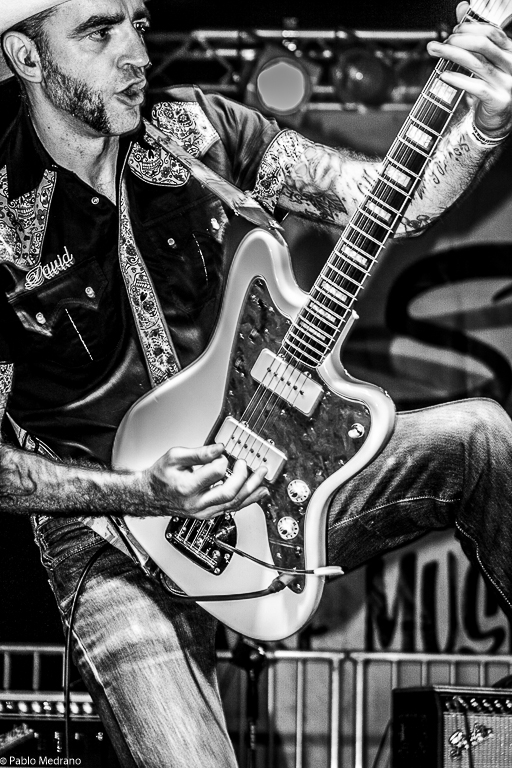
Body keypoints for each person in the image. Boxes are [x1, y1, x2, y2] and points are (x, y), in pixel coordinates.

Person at [0, 0, 511, 765]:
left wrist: (482, 129)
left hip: (267, 474)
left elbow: (379, 199)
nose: (137, 52)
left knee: (482, 437)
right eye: (99, 31)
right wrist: (143, 492)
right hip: (109, 535)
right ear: (29, 57)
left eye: (138, 23)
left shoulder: (200, 131)